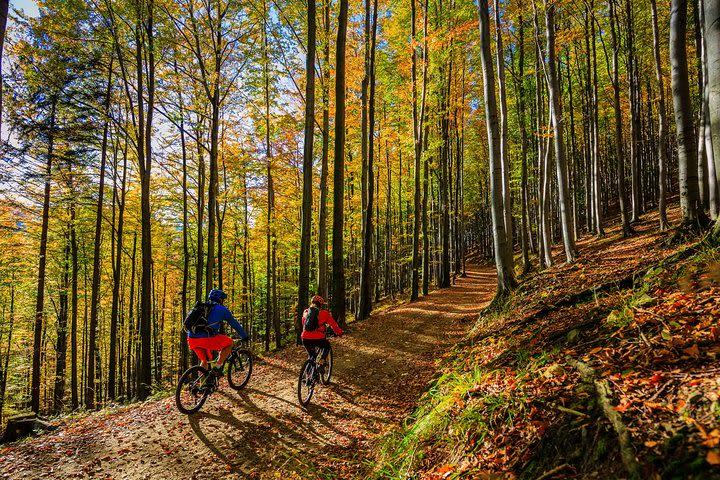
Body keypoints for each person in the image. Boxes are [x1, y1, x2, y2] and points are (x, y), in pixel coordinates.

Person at [187, 289, 249, 377]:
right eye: (223, 299)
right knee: (229, 343)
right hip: (206, 338)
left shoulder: (201, 307)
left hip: (192, 339)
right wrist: (244, 336)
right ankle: (217, 367)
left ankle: (203, 386)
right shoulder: (222, 309)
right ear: (220, 299)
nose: (223, 301)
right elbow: (234, 324)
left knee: (205, 361)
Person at [301, 294, 343, 366]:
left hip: (305, 338)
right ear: (321, 305)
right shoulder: (324, 313)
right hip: (319, 338)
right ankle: (322, 360)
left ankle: (310, 375)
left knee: (311, 356)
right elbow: (333, 325)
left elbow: (304, 324)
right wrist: (339, 332)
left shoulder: (306, 312)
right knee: (327, 346)